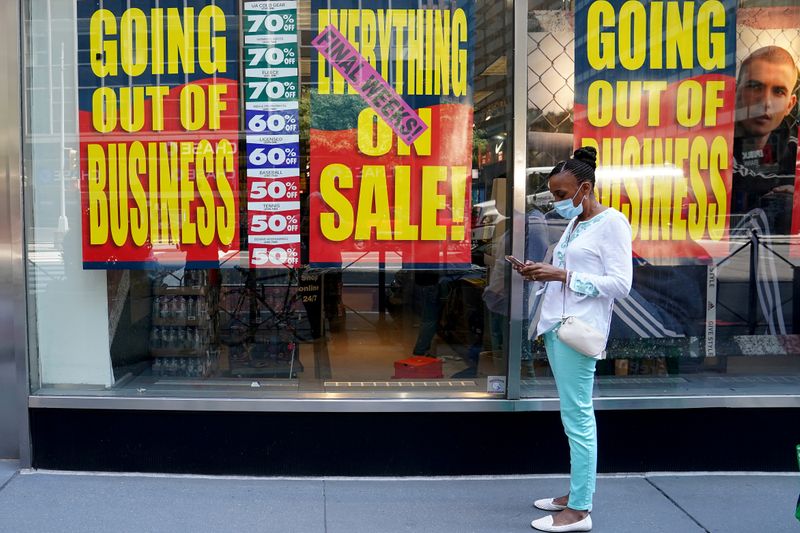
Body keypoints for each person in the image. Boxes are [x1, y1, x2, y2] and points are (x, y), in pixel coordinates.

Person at [516, 147, 632, 532]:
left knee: (579, 417)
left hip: (578, 331)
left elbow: (621, 284)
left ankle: (580, 510)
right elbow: (566, 270)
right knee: (572, 416)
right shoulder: (577, 223)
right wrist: (540, 272)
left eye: (562, 195)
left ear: (585, 188)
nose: (556, 202)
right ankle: (576, 490)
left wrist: (562, 276)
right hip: (557, 326)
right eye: (553, 195)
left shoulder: (611, 222)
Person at [732, 45, 799, 233]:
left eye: (778, 91)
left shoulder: (793, 150)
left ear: (789, 105)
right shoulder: (715, 143)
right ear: (735, 92)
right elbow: (739, 178)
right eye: (755, 87)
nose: (766, 103)